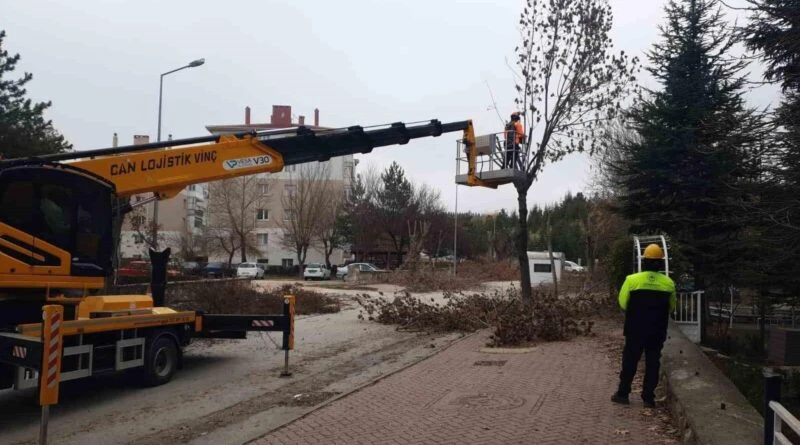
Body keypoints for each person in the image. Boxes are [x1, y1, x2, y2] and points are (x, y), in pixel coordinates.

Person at [611, 243, 676, 408]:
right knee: (653, 362)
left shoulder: (632, 280)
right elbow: (672, 306)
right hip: (657, 329)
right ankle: (648, 398)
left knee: (630, 361)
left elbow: (623, 303)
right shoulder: (668, 283)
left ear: (644, 261)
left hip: (635, 328)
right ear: (661, 263)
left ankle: (623, 394)